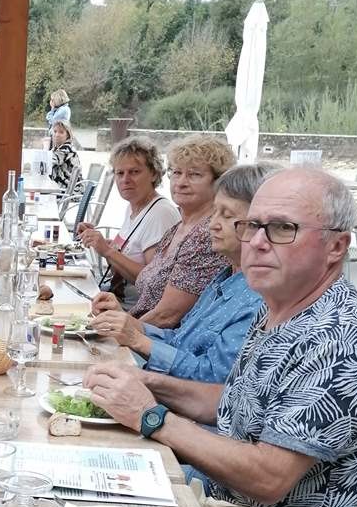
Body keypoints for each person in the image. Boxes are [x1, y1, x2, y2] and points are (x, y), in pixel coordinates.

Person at [82, 167, 357, 507]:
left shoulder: (340, 336)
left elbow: (269, 478)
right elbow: (231, 400)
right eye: (253, 225)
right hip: (239, 505)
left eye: (282, 229)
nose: (257, 241)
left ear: (336, 246)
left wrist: (153, 417)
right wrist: (151, 384)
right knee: (93, 489)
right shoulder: (286, 306)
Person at [89, 163, 272, 383]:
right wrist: (130, 325)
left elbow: (213, 379)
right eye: (214, 213)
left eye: (226, 215)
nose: (212, 225)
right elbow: (180, 339)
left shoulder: (258, 298)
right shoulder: (224, 277)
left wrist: (137, 339)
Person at [122, 134, 234, 325]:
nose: (181, 182)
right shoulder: (176, 229)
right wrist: (117, 312)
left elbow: (167, 316)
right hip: (142, 328)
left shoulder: (206, 235)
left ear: (218, 182)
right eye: (176, 172)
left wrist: (118, 326)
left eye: (194, 174)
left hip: (162, 343)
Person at [77, 135, 180, 305]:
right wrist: (99, 242)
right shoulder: (133, 207)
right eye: (120, 173)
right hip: (113, 298)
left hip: (132, 311)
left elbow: (154, 282)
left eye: (134, 172)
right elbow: (131, 253)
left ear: (154, 174)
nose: (125, 180)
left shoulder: (160, 213)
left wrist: (107, 251)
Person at [49, 118, 83, 195]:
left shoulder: (67, 148)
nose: (57, 135)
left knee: (43, 196)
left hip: (71, 191)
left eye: (61, 132)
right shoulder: (56, 148)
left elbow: (50, 161)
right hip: (62, 187)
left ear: (67, 135)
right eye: (55, 131)